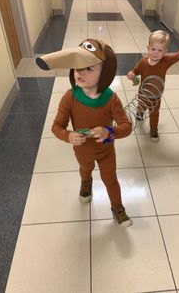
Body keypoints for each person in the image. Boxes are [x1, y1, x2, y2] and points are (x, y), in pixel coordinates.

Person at [36, 39, 133, 228]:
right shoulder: (70, 97)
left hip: (106, 152)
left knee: (110, 180)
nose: (80, 72)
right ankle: (86, 182)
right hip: (82, 152)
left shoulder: (111, 99)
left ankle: (117, 207)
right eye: (78, 67)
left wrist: (110, 131)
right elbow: (56, 127)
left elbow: (126, 126)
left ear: (104, 72)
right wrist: (68, 135)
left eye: (89, 68)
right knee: (85, 170)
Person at [127, 30, 179, 141]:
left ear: (165, 51)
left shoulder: (166, 61)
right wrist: (132, 74)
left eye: (160, 50)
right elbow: (135, 71)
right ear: (148, 48)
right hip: (143, 93)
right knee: (141, 105)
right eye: (153, 49)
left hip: (156, 96)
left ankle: (154, 129)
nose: (156, 53)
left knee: (154, 113)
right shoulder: (143, 62)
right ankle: (139, 112)